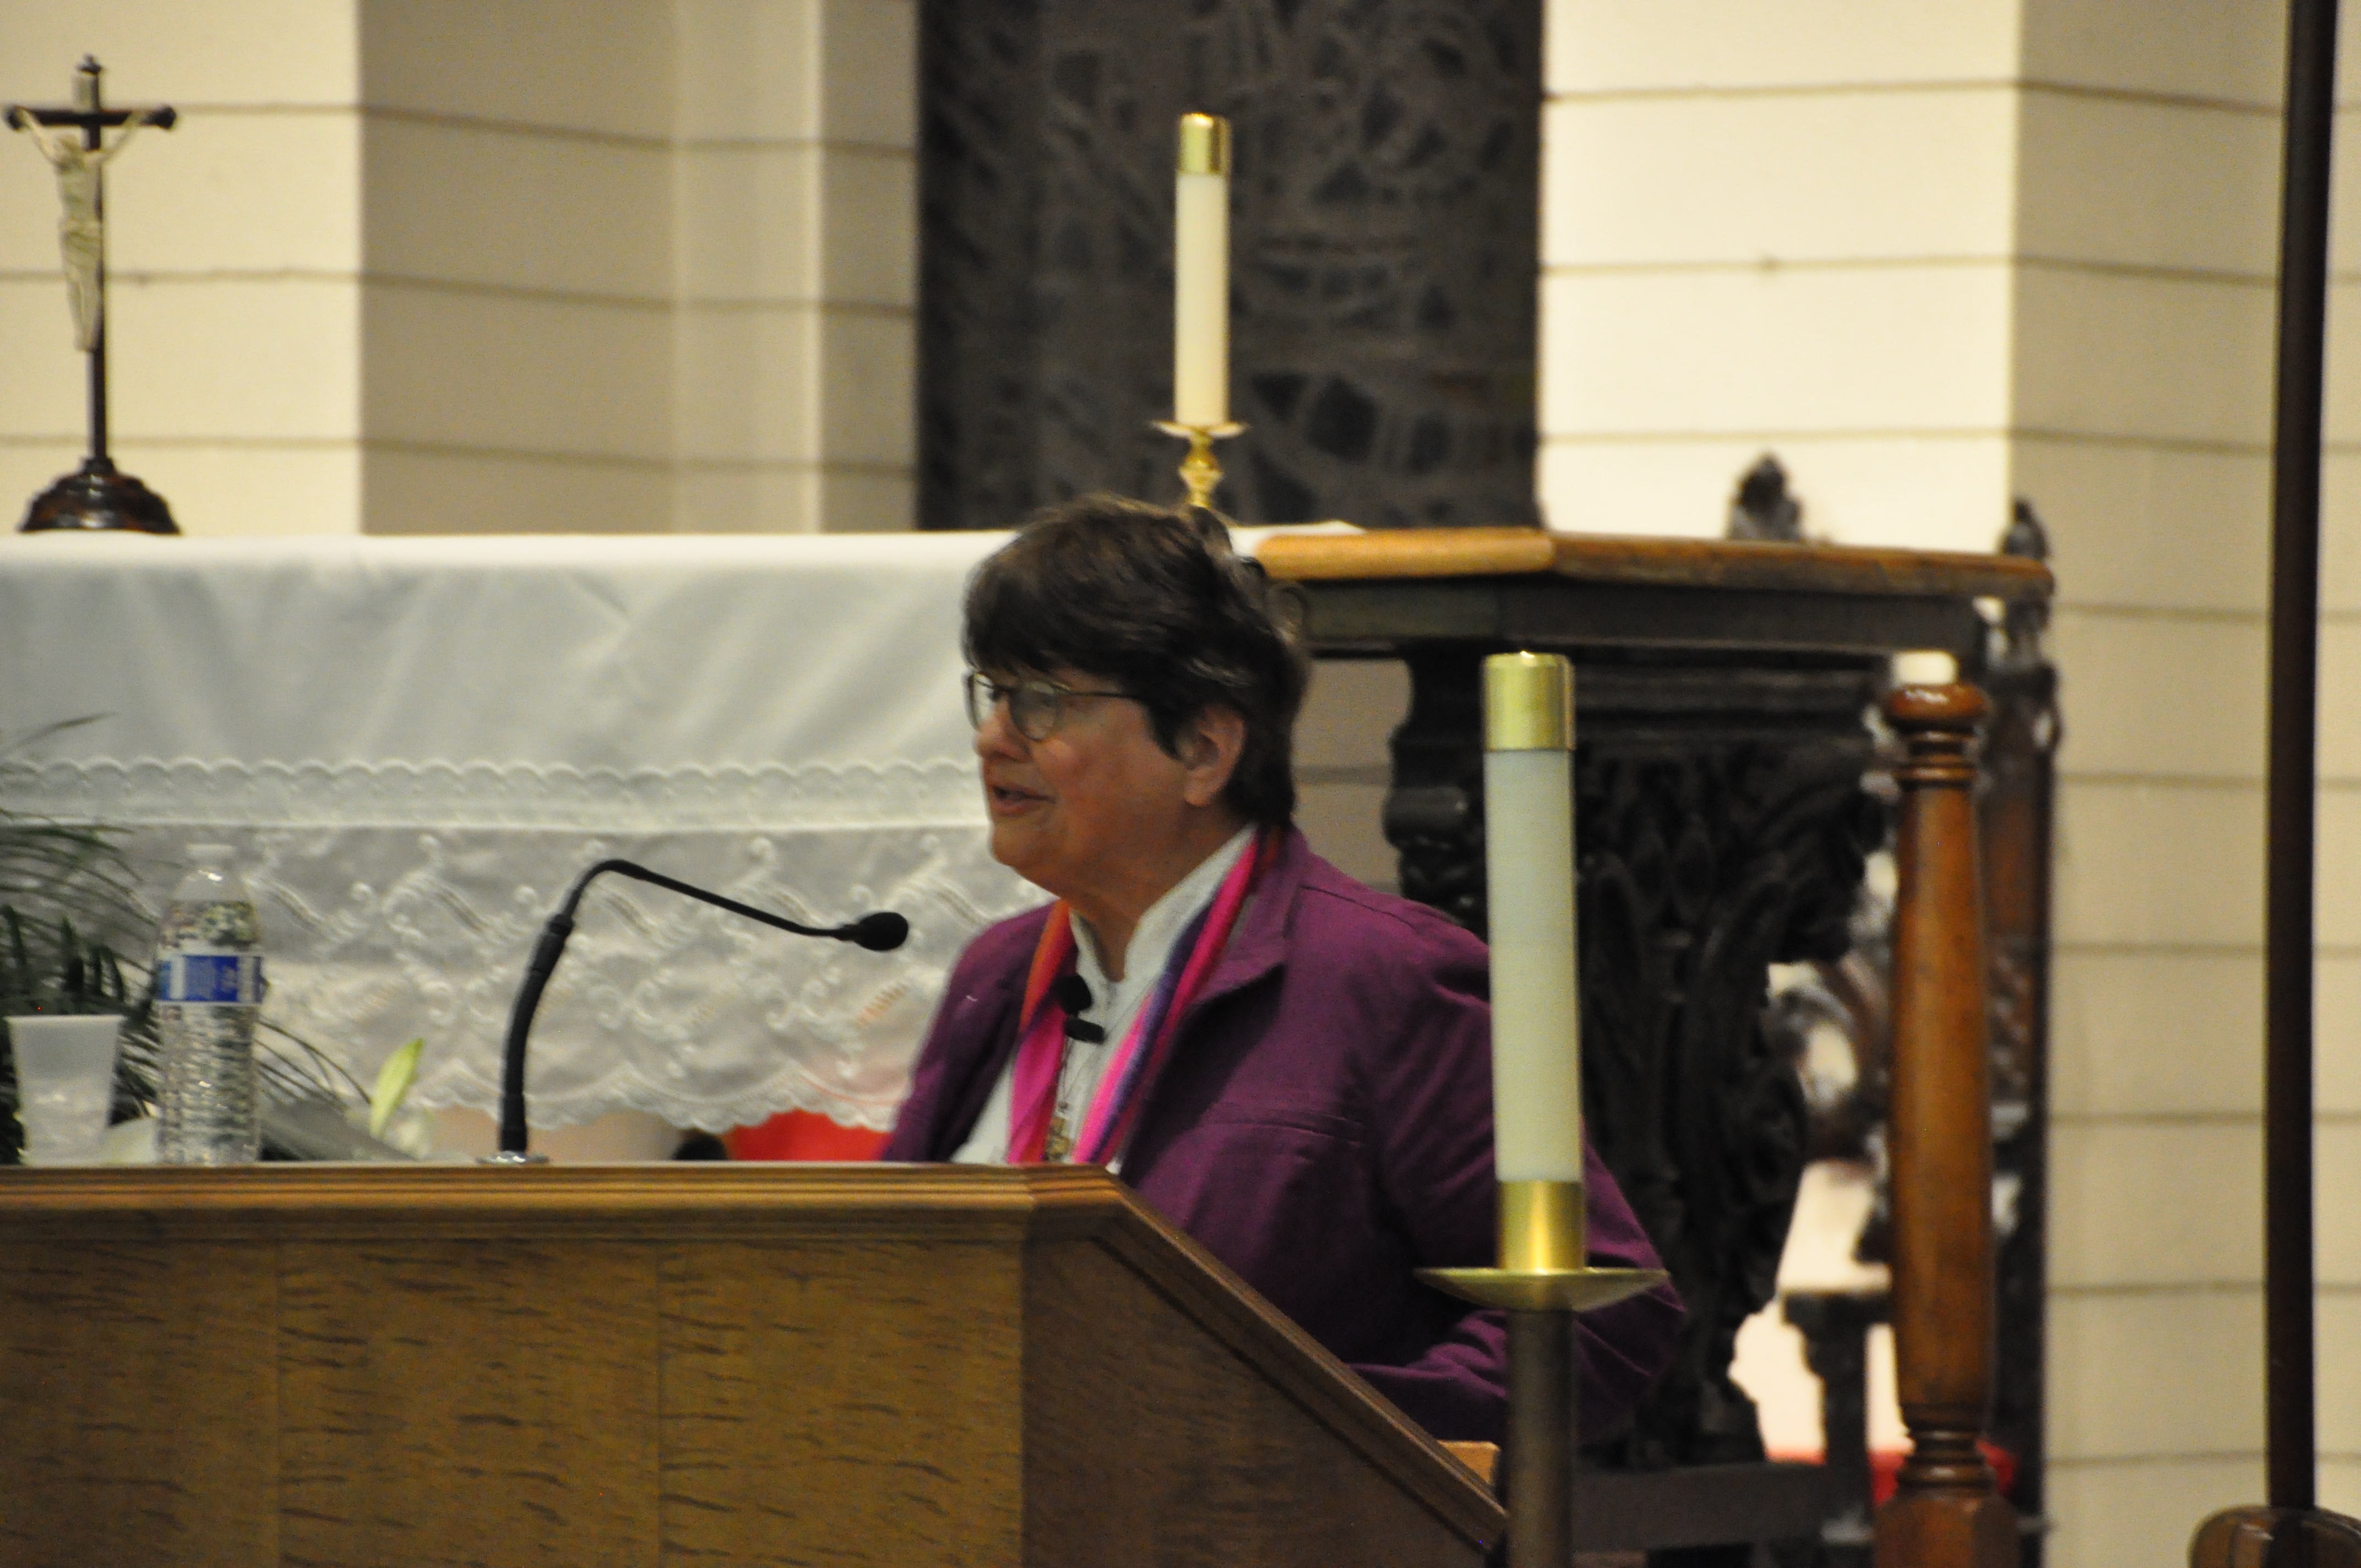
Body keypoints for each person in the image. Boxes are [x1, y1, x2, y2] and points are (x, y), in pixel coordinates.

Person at [883, 495, 1681, 1443]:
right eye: (993, 692)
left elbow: (1606, 1320)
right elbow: (887, 1285)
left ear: (1204, 749)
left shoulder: (1382, 979)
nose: (993, 738)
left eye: (1043, 701)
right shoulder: (999, 975)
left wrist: (1305, 1433)